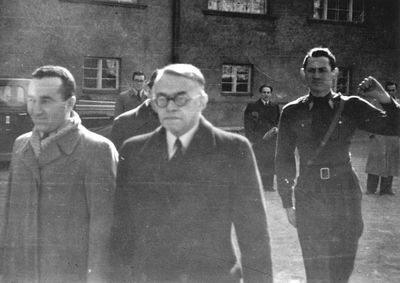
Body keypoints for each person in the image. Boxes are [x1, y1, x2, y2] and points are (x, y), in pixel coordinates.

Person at [109, 63, 272, 282]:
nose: (171, 107)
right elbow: (121, 232)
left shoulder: (233, 149)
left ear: (202, 101)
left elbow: (254, 236)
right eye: (162, 99)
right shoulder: (134, 150)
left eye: (181, 98)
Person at [275, 47, 400, 283]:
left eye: (323, 70)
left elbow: (394, 126)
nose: (317, 75)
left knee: (343, 263)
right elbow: (283, 157)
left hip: (344, 191)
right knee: (316, 267)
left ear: (335, 73)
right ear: (303, 74)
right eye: (311, 70)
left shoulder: (351, 106)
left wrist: (384, 98)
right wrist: (287, 202)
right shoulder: (292, 111)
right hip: (310, 193)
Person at [1, 66, 118, 283]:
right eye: (31, 100)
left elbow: (103, 233)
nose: (35, 109)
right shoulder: (21, 145)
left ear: (70, 103)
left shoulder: (96, 149)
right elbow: (11, 226)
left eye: (46, 101)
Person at [110, 70, 160, 150]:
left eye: (141, 81)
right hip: (128, 134)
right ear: (133, 82)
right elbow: (117, 117)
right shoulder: (123, 97)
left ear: (144, 82)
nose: (139, 83)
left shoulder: (149, 97)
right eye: (137, 81)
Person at [365, 81, 399, 195]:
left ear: (396, 90)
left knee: (390, 163)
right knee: (375, 163)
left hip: (393, 137)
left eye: (393, 90)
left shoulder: (398, 104)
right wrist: (372, 133)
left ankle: (386, 189)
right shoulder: (376, 102)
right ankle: (371, 189)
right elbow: (370, 118)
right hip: (379, 135)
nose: (390, 92)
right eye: (388, 90)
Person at [244, 84, 280, 191]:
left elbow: (278, 121)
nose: (266, 95)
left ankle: (269, 185)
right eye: (264, 92)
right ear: (260, 93)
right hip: (258, 139)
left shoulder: (274, 106)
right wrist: (251, 138)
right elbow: (248, 123)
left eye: (268, 92)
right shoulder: (253, 106)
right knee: (259, 161)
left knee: (270, 161)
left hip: (271, 139)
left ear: (271, 94)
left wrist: (276, 129)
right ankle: (258, 186)